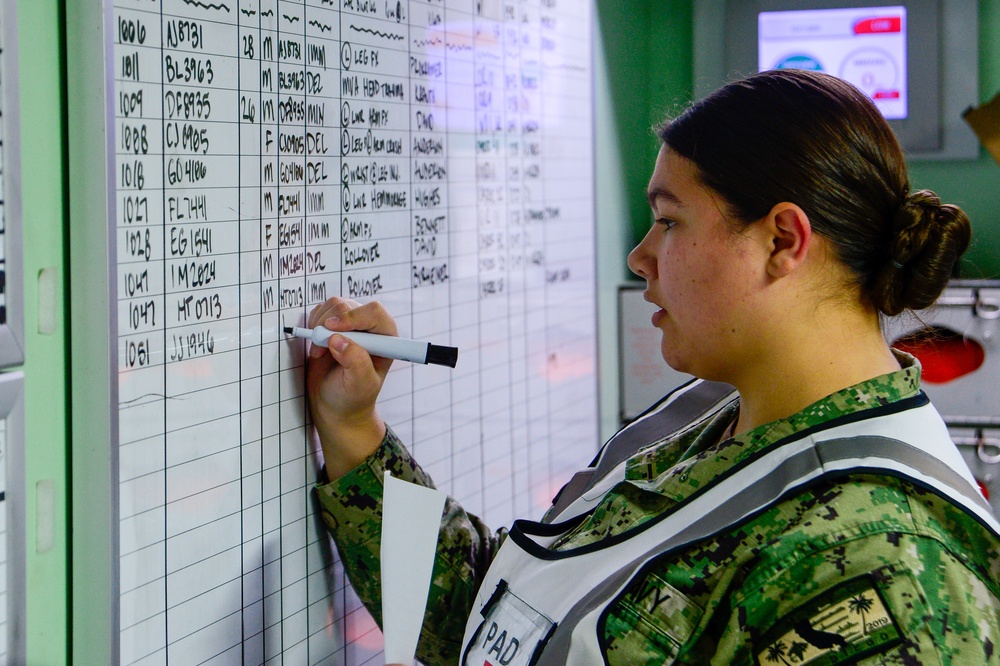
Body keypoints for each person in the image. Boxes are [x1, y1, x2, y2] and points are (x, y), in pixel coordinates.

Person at [307, 69, 1000, 665]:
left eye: (669, 221)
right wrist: (354, 431)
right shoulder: (713, 422)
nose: (640, 257)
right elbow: (498, 622)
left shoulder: (886, 564)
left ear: (782, 240)